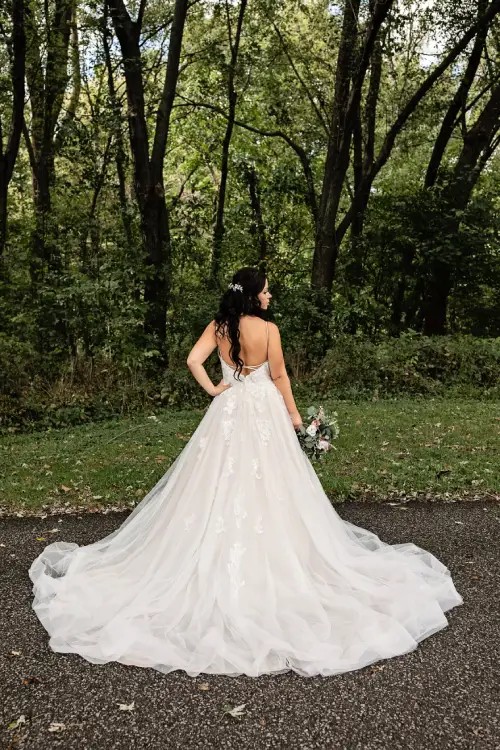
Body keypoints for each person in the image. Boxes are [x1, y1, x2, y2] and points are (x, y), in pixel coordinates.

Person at [29, 266, 463, 678]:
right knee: (274, 486)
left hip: (229, 410)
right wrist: (295, 417)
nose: (271, 295)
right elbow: (279, 375)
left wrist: (217, 389)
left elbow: (191, 360)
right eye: (267, 289)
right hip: (265, 415)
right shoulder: (269, 330)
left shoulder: (219, 328)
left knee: (213, 483)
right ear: (254, 295)